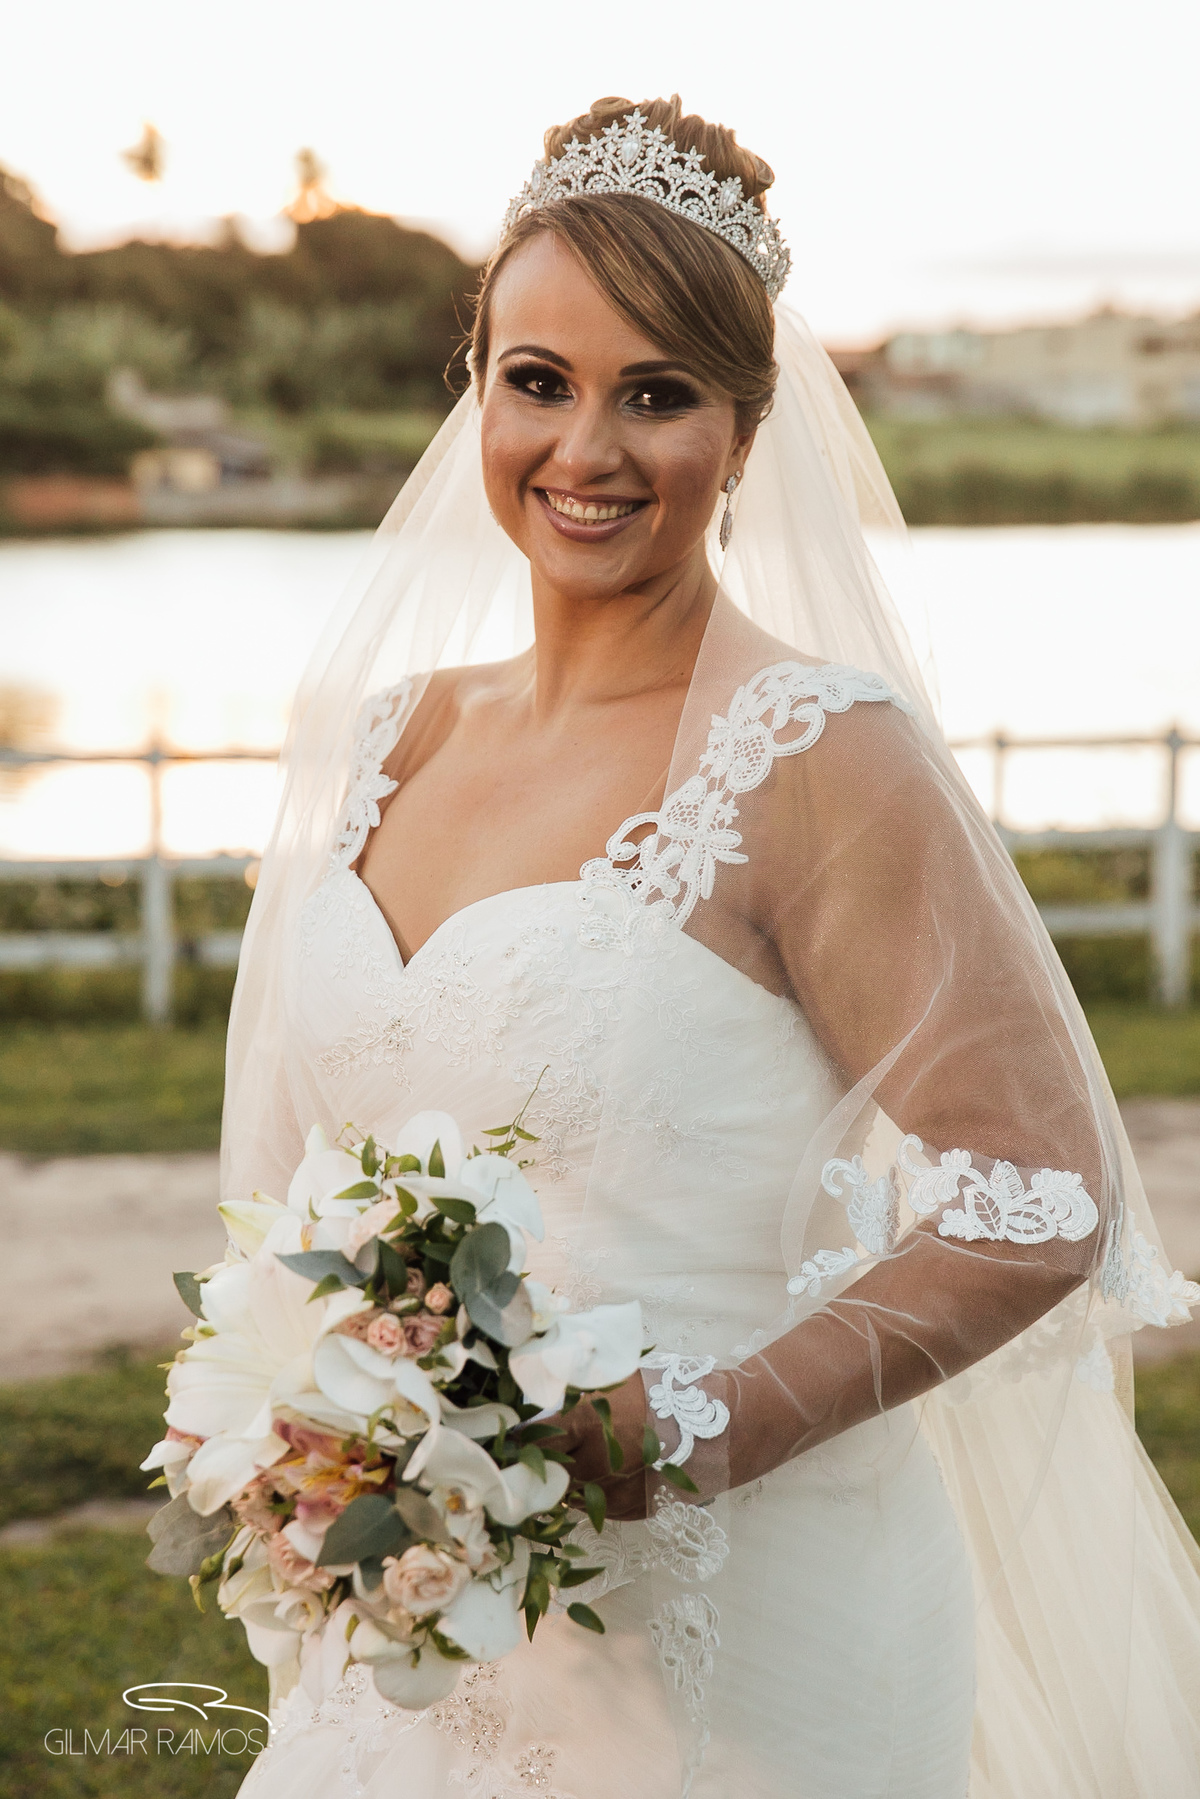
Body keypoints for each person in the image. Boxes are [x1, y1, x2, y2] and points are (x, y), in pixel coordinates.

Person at [230, 97, 1200, 1798]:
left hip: (744, 1626)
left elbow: (1038, 1191)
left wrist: (695, 1428)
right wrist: (313, 1414)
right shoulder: (398, 737)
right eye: (538, 380)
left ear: (748, 433)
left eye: (657, 394)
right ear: (479, 385)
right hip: (422, 1603)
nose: (584, 451)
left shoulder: (818, 754)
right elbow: (309, 1174)